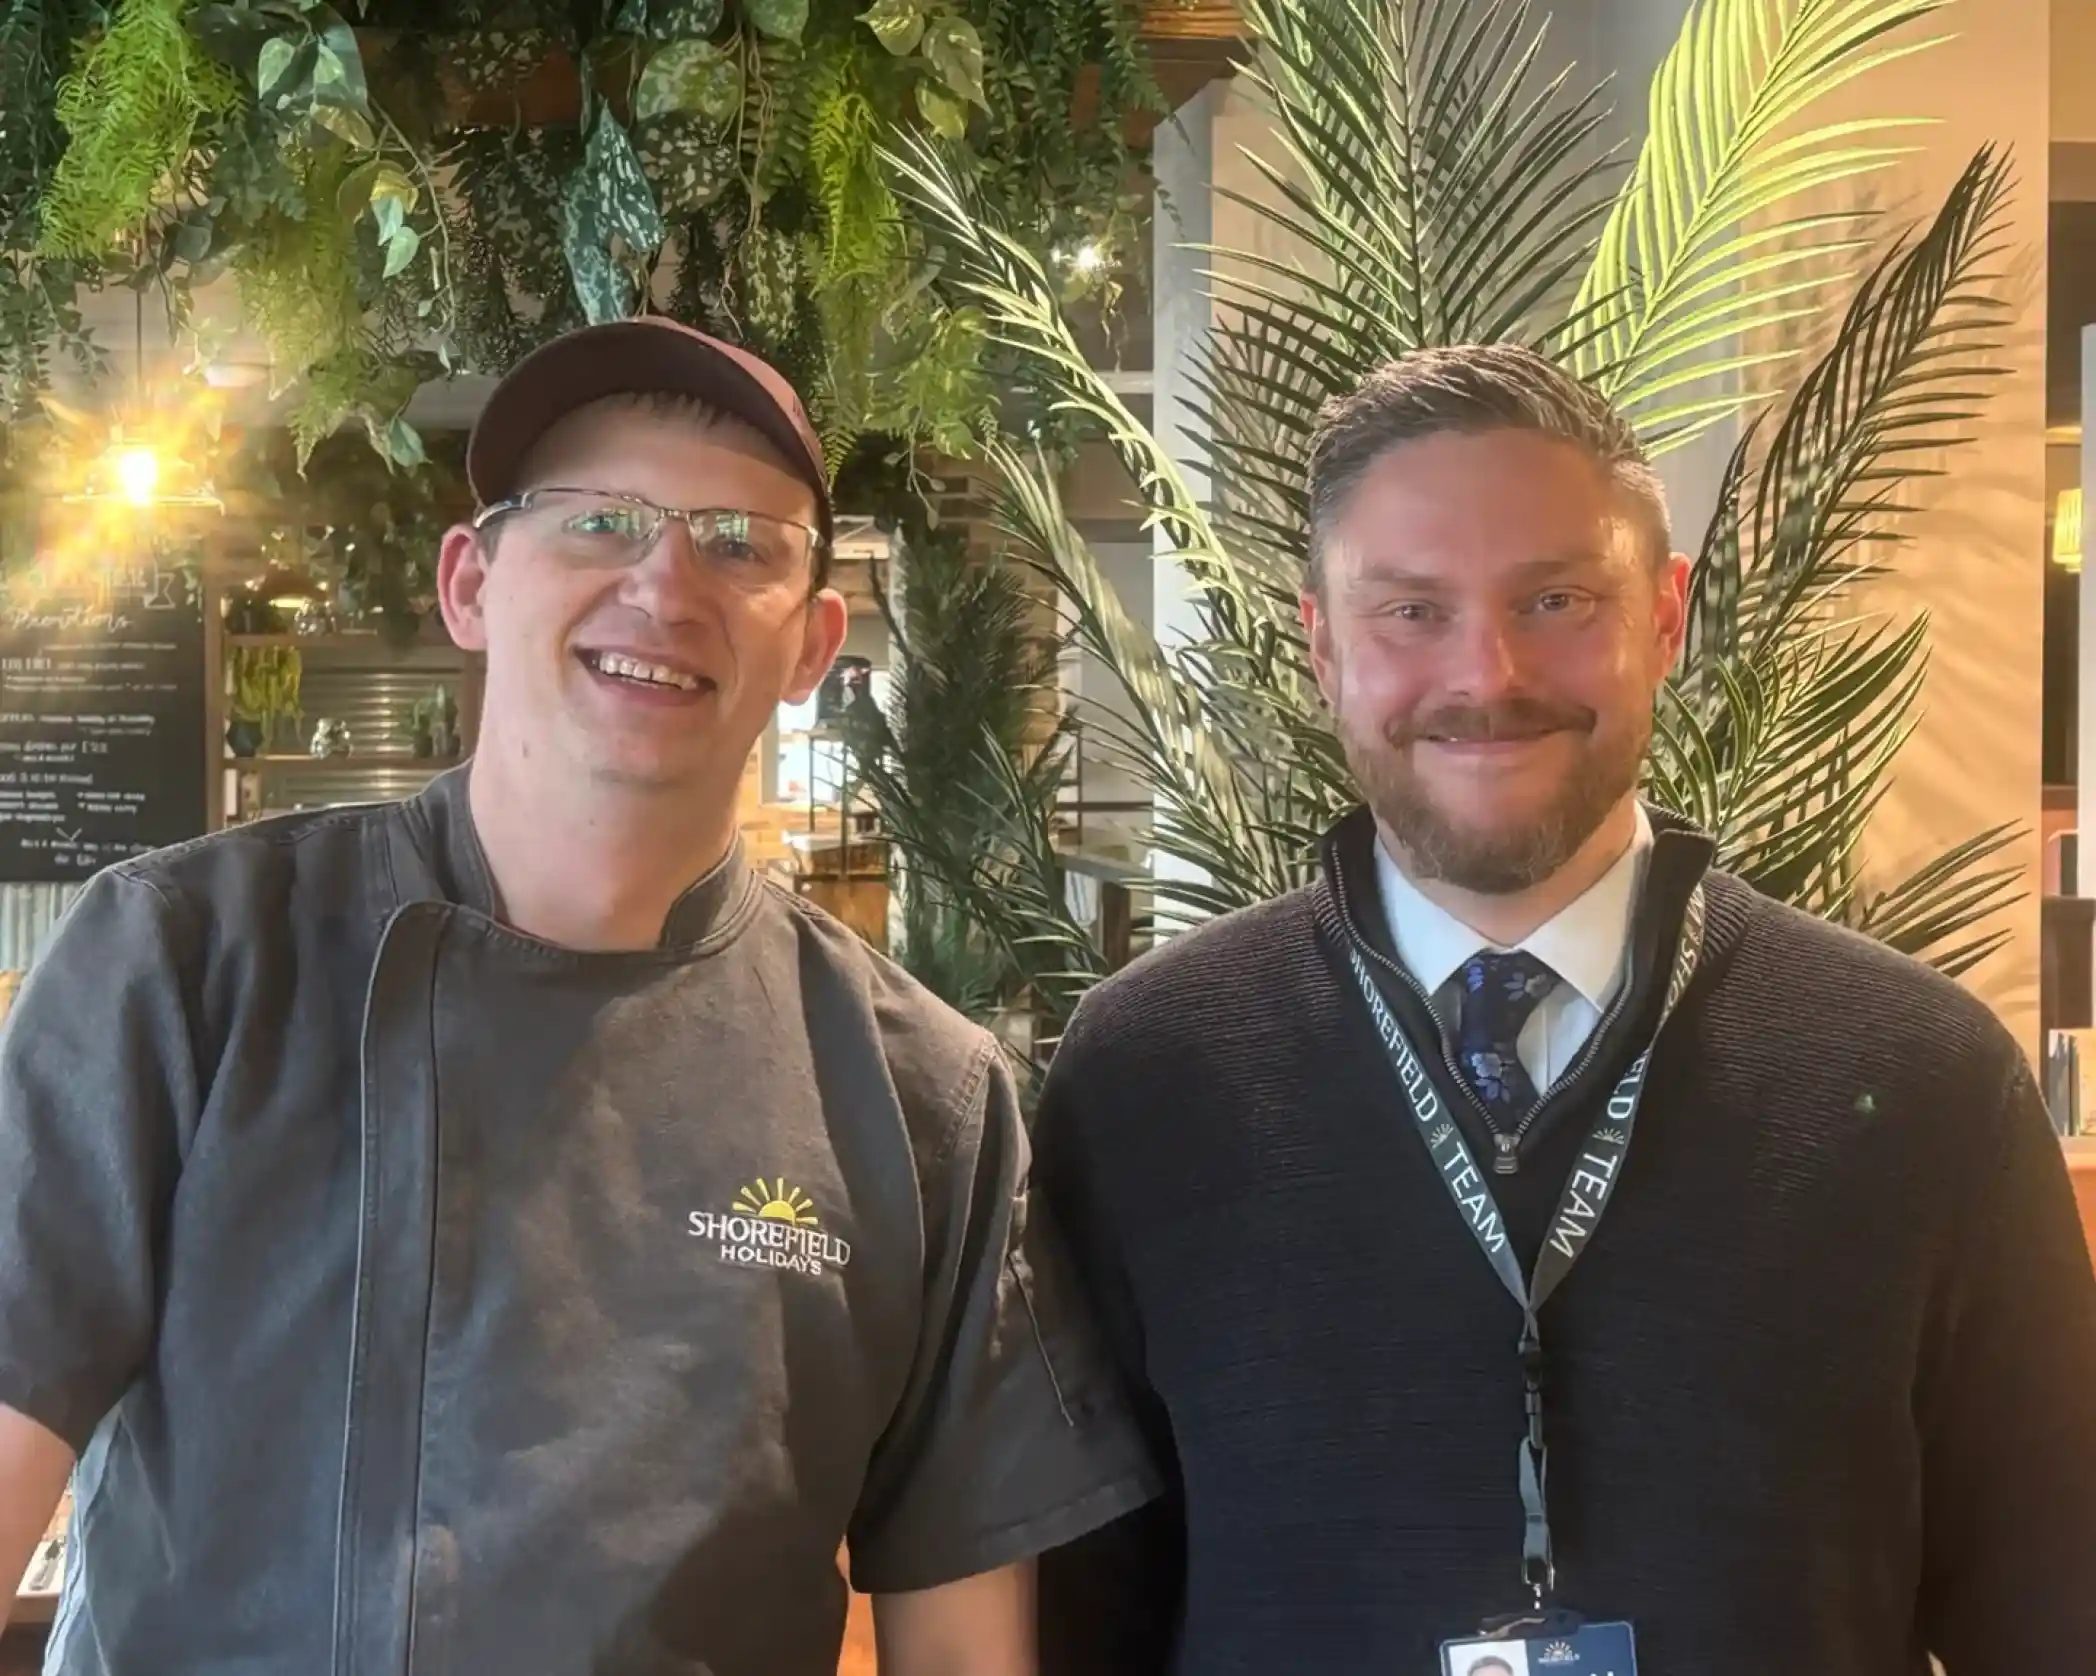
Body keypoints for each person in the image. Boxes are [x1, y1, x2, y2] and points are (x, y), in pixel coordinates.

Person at [0, 318, 1158, 1674]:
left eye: (741, 542)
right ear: (471, 583)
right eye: (598, 520)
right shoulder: (185, 960)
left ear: (812, 640)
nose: (667, 586)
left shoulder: (922, 1099)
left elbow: (963, 1647)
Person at [1032, 343, 2096, 1674]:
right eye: (1409, 611)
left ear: (1664, 617)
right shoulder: (1146, 1081)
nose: (1487, 675)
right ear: (1320, 645)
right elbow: (1078, 1620)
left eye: (1556, 599)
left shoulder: (1923, 1082)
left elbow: (2054, 1605)